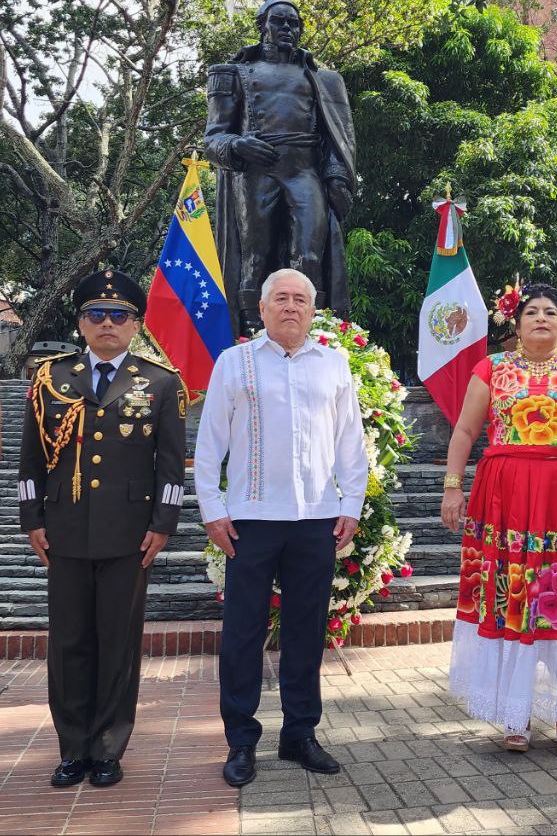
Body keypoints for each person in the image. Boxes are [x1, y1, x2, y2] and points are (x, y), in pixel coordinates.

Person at [195, 268, 368, 787]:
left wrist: (352, 504)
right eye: (281, 299)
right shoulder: (235, 362)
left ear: (313, 311)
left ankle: (299, 734)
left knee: (305, 631)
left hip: (316, 518)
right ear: (263, 309)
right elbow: (210, 445)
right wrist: (212, 510)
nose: (291, 307)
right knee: (243, 633)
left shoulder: (333, 364)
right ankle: (241, 742)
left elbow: (350, 444)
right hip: (250, 520)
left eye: (301, 300)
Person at [18, 269, 186, 789]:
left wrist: (163, 522)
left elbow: (172, 464)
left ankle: (109, 748)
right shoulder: (50, 378)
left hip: (129, 533)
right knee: (69, 643)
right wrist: (32, 518)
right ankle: (72, 749)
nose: (107, 323)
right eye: (96, 314)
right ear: (80, 323)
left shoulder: (159, 382)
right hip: (64, 529)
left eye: (119, 316)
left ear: (135, 324)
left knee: (117, 642)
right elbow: (30, 460)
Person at [442, 283, 557, 753]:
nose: (541, 318)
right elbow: (465, 429)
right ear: (517, 324)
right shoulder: (492, 368)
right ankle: (514, 712)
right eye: (531, 312)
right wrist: (452, 486)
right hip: (505, 498)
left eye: (551, 313)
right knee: (512, 595)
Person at [203, 0, 356, 334]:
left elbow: (336, 137)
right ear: (263, 27)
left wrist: (336, 178)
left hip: (304, 172)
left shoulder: (323, 79)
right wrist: (238, 145)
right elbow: (212, 140)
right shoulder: (232, 74)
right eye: (279, 22)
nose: (288, 29)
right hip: (257, 172)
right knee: (255, 256)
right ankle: (250, 328)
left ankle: (314, 326)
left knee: (310, 254)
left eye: (294, 23)